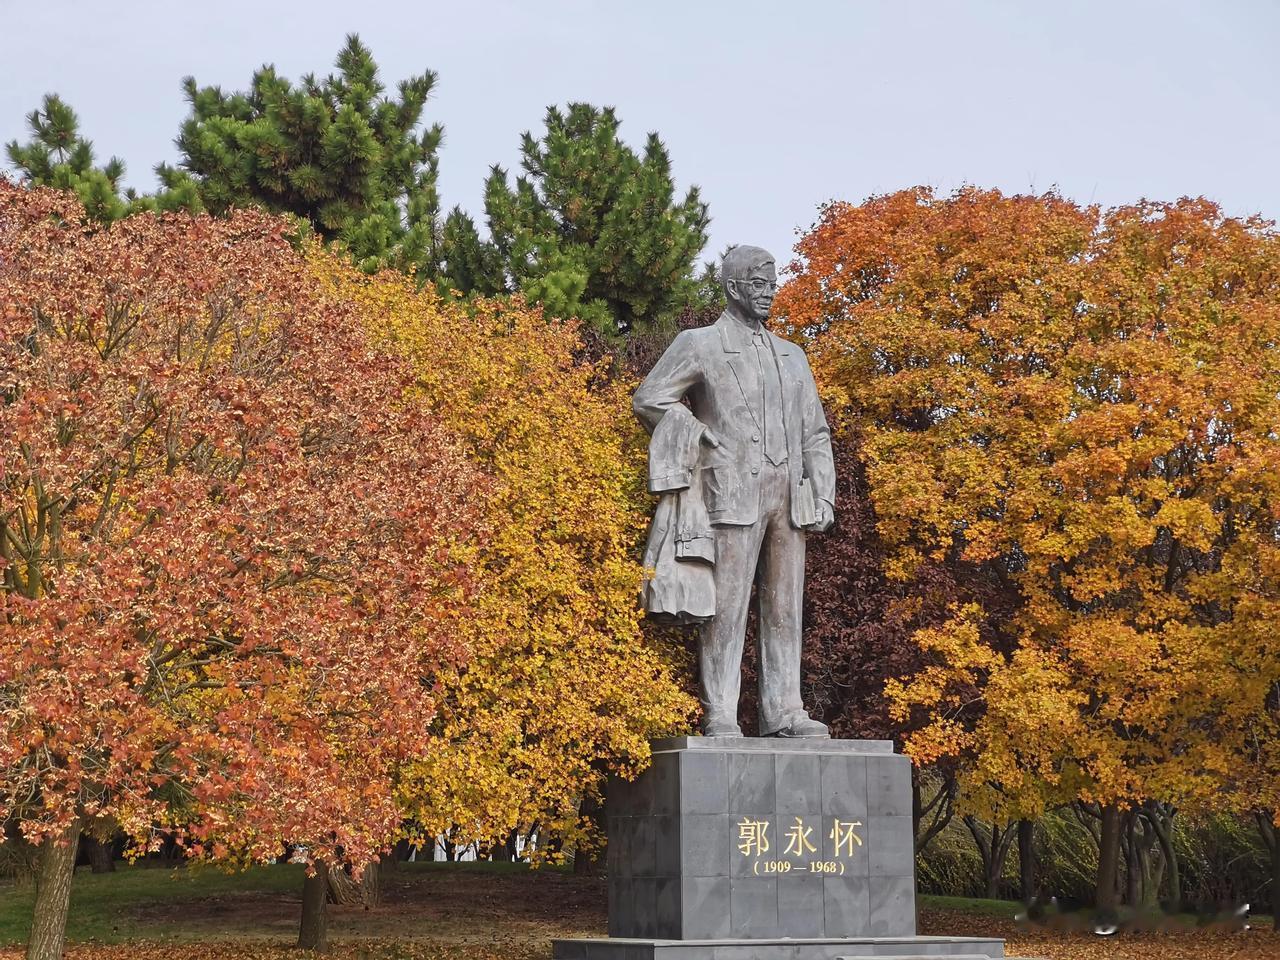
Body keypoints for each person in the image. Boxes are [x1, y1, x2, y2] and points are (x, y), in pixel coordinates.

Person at [633, 245, 835, 737]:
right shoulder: (700, 343)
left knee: (786, 608)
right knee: (726, 609)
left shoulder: (793, 356)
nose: (768, 293)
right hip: (730, 495)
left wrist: (824, 493)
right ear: (732, 287)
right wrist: (698, 434)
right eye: (758, 284)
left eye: (772, 284)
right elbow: (649, 398)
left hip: (789, 499)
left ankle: (784, 711)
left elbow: (815, 433)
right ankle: (720, 710)